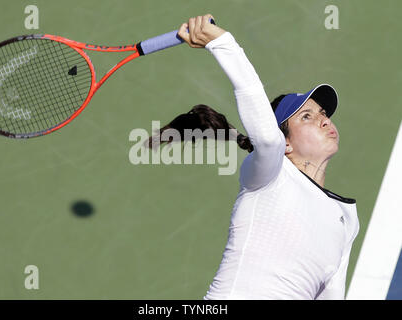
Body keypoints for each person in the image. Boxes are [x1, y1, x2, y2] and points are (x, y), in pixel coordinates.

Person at [151, 14, 360, 299]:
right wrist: (223, 43)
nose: (324, 120)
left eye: (322, 114)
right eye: (307, 117)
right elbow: (266, 138)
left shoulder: (345, 218)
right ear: (285, 143)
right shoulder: (270, 175)